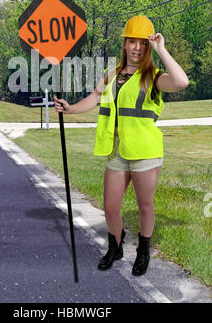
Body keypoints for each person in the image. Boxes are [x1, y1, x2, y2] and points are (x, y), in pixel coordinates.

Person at [54, 15, 189, 276]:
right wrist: (70, 110)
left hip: (145, 152)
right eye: (132, 41)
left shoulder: (155, 77)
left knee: (145, 206)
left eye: (142, 42)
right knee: (111, 206)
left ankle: (143, 251)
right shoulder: (112, 75)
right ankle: (115, 247)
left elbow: (182, 82)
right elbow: (94, 98)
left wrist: (162, 49)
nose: (136, 47)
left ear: (148, 46)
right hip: (117, 150)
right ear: (125, 44)